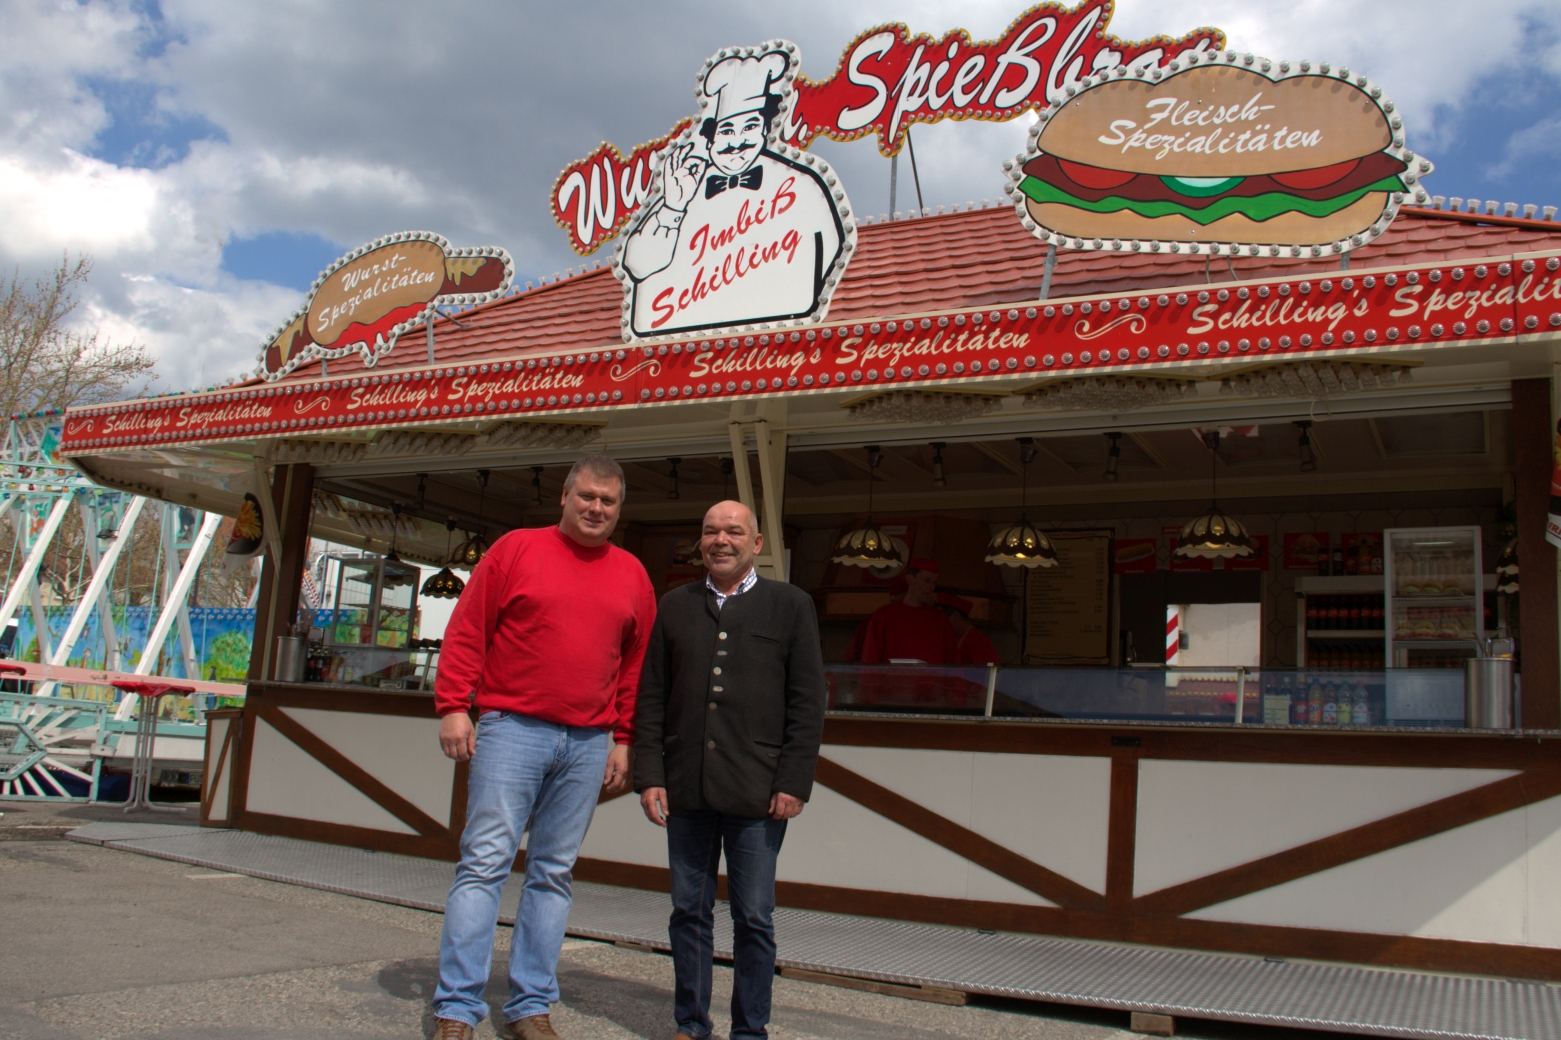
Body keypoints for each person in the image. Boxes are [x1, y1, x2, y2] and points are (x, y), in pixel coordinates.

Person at [431, 456, 657, 1040]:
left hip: (587, 741)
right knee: (484, 865)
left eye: (608, 501)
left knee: (553, 873)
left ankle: (531, 1005)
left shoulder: (632, 573)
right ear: (564, 495)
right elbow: (468, 629)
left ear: (619, 508)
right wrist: (455, 704)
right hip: (512, 728)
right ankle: (457, 1008)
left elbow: (636, 669)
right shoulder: (515, 550)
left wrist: (625, 740)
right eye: (586, 496)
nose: (596, 508)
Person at [634, 500, 827, 1040]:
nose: (721, 540)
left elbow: (808, 701)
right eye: (711, 531)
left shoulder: (790, 605)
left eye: (733, 531)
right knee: (688, 913)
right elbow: (652, 695)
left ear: (756, 543)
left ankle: (749, 1030)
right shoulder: (674, 605)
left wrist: (793, 781)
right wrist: (650, 774)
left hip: (758, 790)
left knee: (755, 918)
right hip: (686, 788)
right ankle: (691, 1023)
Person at [620, 48, 844, 338]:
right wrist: (673, 208)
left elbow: (831, 257)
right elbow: (637, 266)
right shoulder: (684, 186)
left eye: (750, 127)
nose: (737, 142)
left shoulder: (804, 183)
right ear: (710, 138)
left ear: (765, 130)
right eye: (727, 131)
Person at [854, 559, 958, 665]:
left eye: (934, 582)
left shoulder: (940, 619)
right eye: (927, 580)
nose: (932, 587)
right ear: (909, 579)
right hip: (891, 681)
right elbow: (870, 659)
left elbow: (954, 664)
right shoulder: (883, 615)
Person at [940, 593, 1001, 665]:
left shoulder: (977, 640)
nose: (941, 623)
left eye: (944, 618)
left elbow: (991, 671)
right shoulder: (957, 637)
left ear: (956, 616)